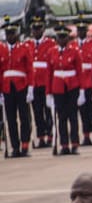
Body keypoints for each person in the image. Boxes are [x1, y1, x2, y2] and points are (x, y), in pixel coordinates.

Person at [47, 24, 84, 155]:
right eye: (59, 37)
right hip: (58, 87)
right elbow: (49, 73)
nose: (62, 39)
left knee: (73, 116)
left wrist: (82, 91)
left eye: (64, 37)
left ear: (68, 38)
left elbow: (80, 71)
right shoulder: (52, 52)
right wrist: (49, 93)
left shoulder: (74, 51)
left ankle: (74, 143)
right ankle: (64, 144)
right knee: (61, 118)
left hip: (72, 86)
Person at [0, 16, 33, 157]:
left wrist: (30, 88)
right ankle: (15, 146)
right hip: (7, 87)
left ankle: (25, 144)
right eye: (8, 34)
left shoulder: (24, 48)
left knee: (24, 116)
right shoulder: (1, 49)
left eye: (12, 33)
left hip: (21, 87)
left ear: (17, 34)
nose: (10, 36)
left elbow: (30, 69)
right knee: (11, 119)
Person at [24, 15, 55, 148]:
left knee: (48, 112)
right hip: (34, 84)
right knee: (37, 112)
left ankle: (50, 135)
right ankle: (41, 137)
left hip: (46, 82)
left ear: (43, 29)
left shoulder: (50, 43)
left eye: (39, 28)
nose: (36, 31)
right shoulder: (28, 44)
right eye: (34, 28)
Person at [71, 15, 92, 146]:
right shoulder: (72, 45)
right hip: (78, 82)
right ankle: (86, 135)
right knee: (82, 112)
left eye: (83, 29)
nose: (81, 32)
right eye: (79, 29)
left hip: (90, 82)